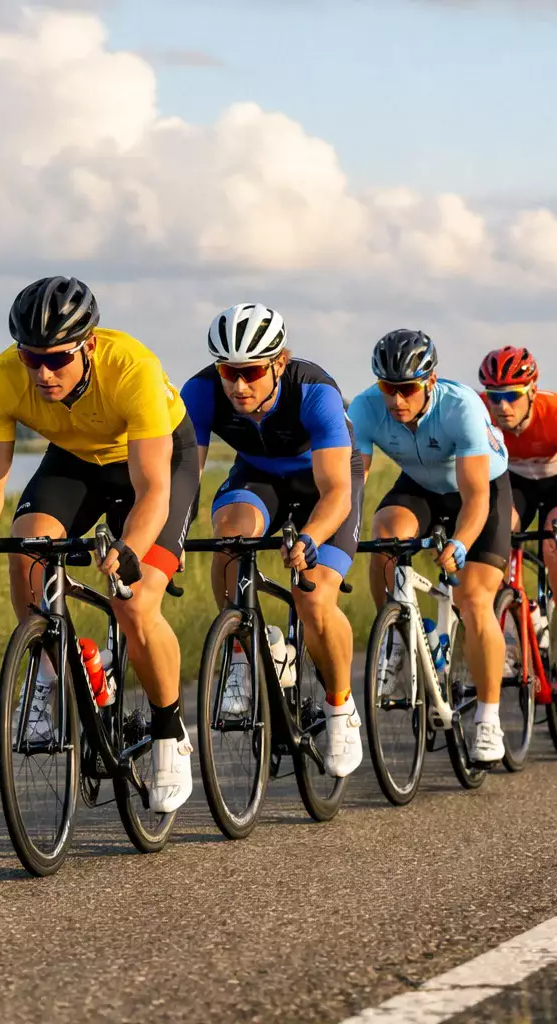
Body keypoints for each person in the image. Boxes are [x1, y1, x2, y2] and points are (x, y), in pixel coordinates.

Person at [0, 276, 201, 814]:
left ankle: (170, 732)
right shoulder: (0, 379)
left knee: (135, 599)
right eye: (32, 358)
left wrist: (129, 550)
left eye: (56, 358)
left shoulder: (131, 367)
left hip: (154, 465)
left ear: (89, 344)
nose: (43, 373)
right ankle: (64, 671)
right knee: (26, 548)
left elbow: (152, 490)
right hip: (75, 461)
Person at [180, 303, 364, 777]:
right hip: (259, 476)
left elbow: (337, 493)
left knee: (316, 597)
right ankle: (247, 645)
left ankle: (341, 707)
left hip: (326, 483)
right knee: (230, 537)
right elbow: (186, 477)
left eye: (252, 372)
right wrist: (170, 537)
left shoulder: (314, 390)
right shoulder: (201, 391)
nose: (239, 386)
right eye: (228, 371)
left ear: (279, 362)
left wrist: (310, 537)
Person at [350, 330, 511, 764]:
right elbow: (352, 485)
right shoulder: (365, 408)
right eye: (388, 388)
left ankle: (489, 718)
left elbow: (476, 497)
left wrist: (461, 541)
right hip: (421, 485)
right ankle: (397, 637)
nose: (397, 400)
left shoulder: (460, 408)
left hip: (479, 489)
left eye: (407, 389)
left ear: (431, 381)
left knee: (475, 599)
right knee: (386, 531)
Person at [478, 347, 557, 705]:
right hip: (515, 480)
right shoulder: (480, 411)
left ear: (531, 391)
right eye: (494, 396)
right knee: (494, 542)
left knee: (554, 549)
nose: (502, 406)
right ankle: (515, 624)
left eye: (511, 396)